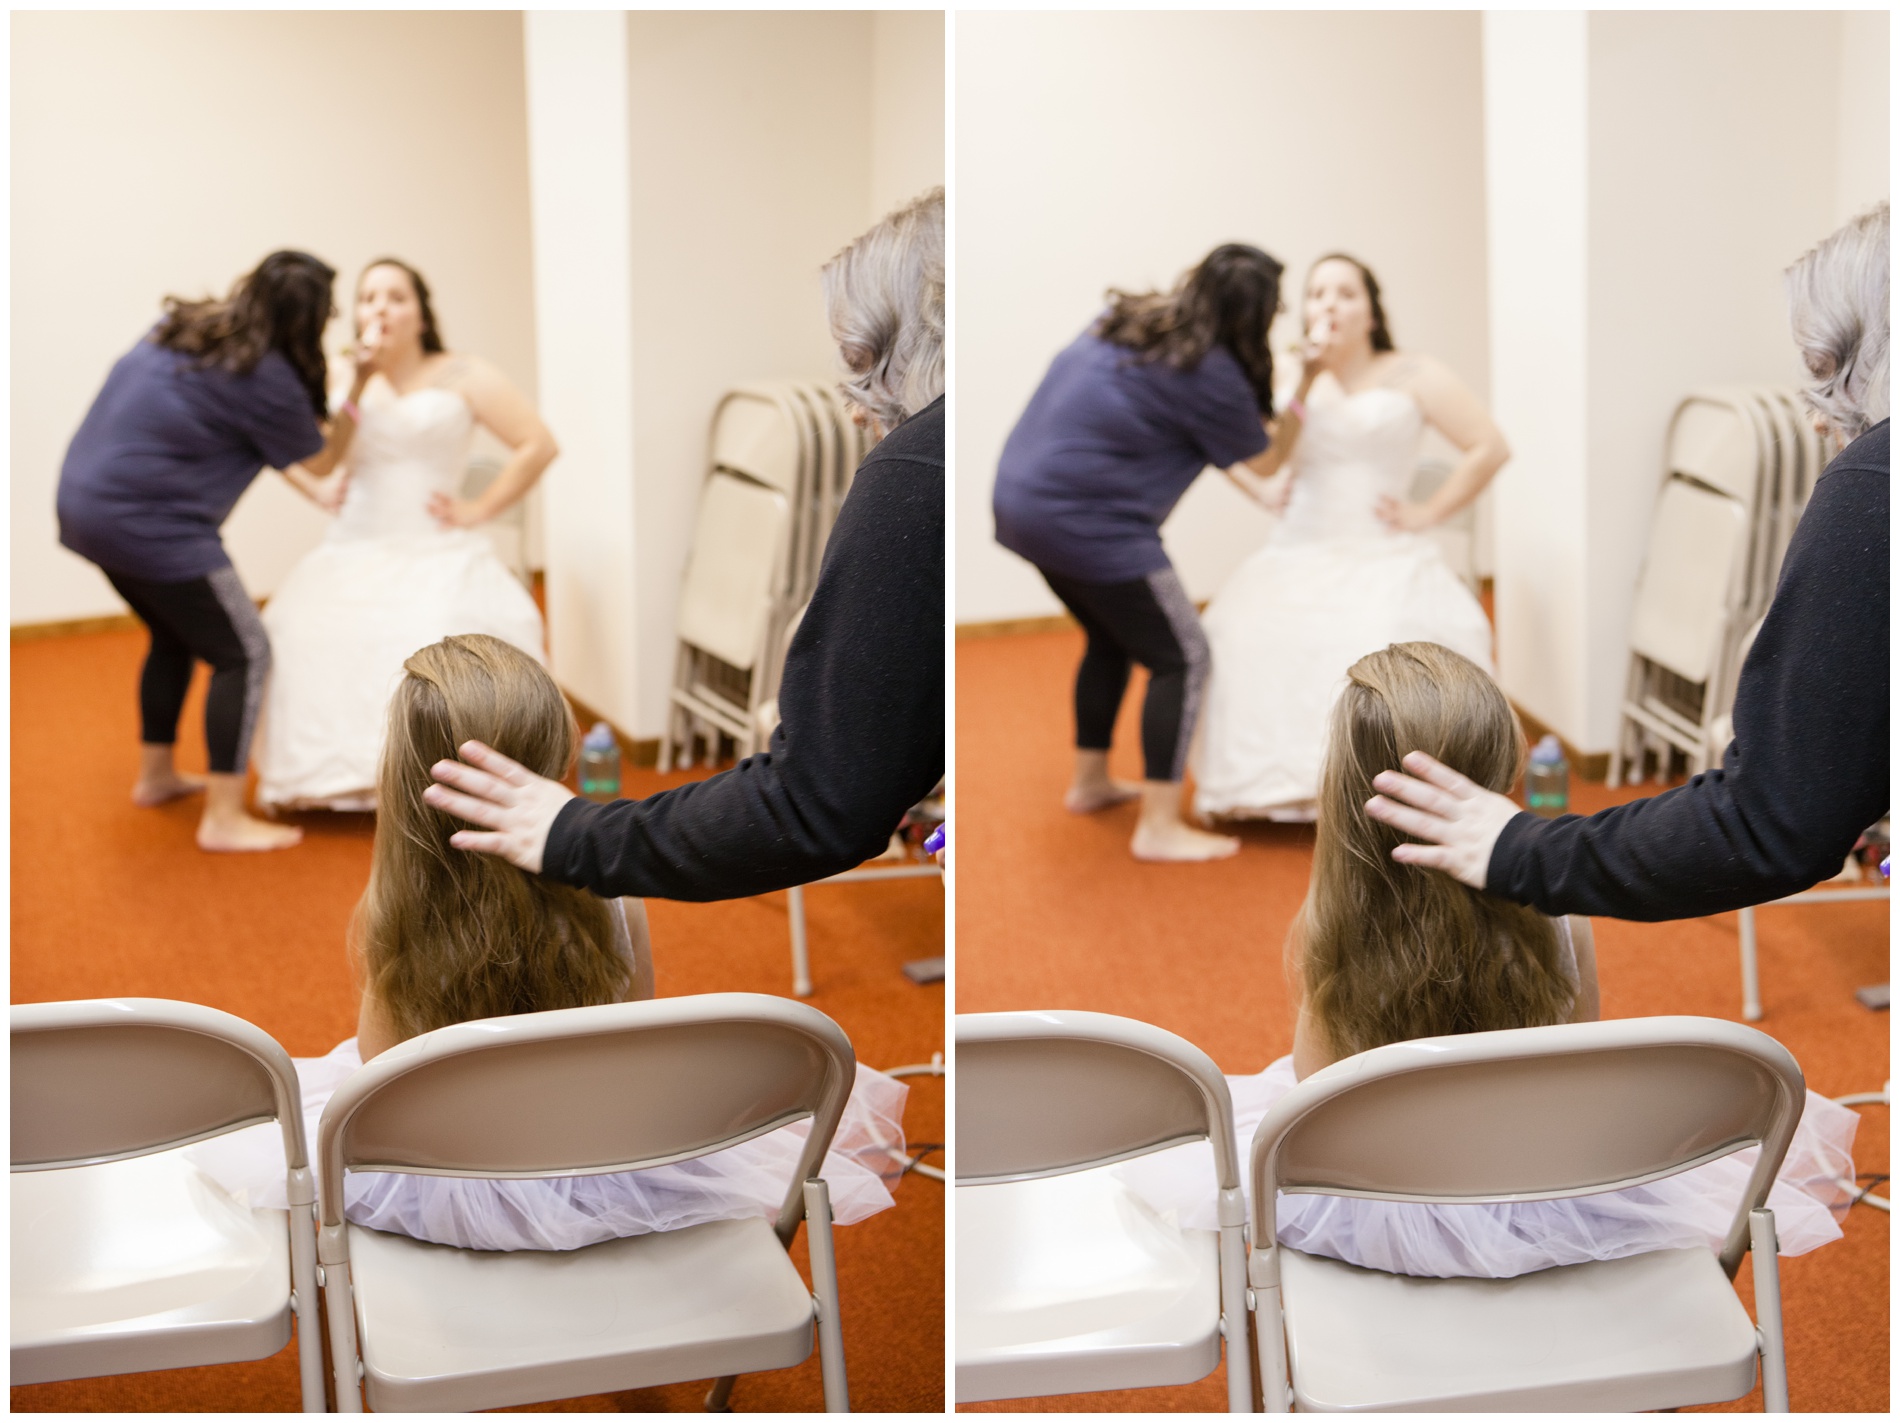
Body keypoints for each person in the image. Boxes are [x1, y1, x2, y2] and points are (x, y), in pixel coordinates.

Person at [1119, 643, 1856, 1277]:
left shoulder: (1325, 930)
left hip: (1383, 1207)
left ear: (1343, 791)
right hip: (1538, 1191)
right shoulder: (1562, 915)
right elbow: (1574, 1060)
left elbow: (1320, 1095)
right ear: (1501, 766)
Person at [189, 635, 909, 1251]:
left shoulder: (388, 914)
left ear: (403, 781)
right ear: (555, 757)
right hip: (598, 1163)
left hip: (446, 1182)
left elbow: (383, 1076)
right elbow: (631, 1038)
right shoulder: (614, 897)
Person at [1363, 204, 1890, 921]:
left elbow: (1771, 820)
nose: (1817, 410)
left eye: (1820, 364)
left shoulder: (1873, 483)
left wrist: (1519, 847)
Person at [419, 188, 945, 902]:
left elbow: (817, 804)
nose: (852, 406)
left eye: (857, 358)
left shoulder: (913, 472)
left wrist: (573, 832)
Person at [991, 244, 1304, 862]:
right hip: (1086, 522)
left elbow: (1211, 445)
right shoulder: (1209, 370)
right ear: (1254, 314)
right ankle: (1159, 826)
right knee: (1183, 656)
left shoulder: (1132, 321)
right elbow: (1266, 459)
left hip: (1022, 504)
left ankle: (1089, 783)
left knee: (1109, 637)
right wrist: (1307, 387)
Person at [56, 250, 367, 852]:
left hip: (84, 505)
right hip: (147, 524)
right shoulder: (266, 375)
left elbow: (254, 440)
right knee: (244, 652)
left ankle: (155, 776)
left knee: (173, 634)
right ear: (306, 320)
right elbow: (324, 461)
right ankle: (223, 818)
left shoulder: (188, 327)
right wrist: (360, 384)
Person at [1193, 255, 1507, 822]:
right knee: (1236, 630)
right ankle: (1283, 786)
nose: (1328, 304)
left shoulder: (1414, 372)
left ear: (1370, 309)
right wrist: (1307, 379)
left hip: (1381, 546)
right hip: (1300, 543)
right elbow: (1261, 455)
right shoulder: (1288, 372)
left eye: (1344, 293)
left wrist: (1428, 511)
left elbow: (1489, 446)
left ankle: (1385, 789)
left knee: (1382, 635)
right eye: (1316, 294)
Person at [253, 258, 552, 811]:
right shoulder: (342, 374)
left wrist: (479, 507)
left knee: (436, 629)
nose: (380, 308)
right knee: (299, 628)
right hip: (356, 539)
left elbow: (538, 444)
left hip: (434, 542)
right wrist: (360, 381)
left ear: (420, 312)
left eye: (395, 297)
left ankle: (439, 778)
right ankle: (340, 777)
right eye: (368, 298)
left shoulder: (464, 373)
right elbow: (320, 457)